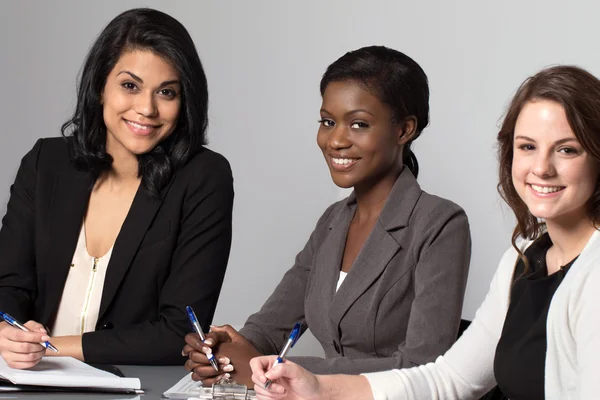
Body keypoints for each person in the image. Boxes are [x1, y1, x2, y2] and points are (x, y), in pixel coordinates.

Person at [248, 64, 600, 400]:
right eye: (527, 147)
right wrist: (319, 388)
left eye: (567, 149)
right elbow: (449, 379)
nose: (541, 167)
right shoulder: (523, 259)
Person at [183, 46, 471, 386]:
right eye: (328, 122)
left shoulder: (440, 224)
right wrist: (224, 351)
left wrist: (282, 369)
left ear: (405, 129)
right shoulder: (333, 221)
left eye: (358, 124)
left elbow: (423, 367)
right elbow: (268, 328)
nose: (335, 140)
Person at [0, 8, 233, 368]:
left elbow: (179, 333)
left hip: (133, 385)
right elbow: (8, 287)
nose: (146, 108)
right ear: (99, 87)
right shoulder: (46, 162)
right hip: (27, 379)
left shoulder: (204, 178)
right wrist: (7, 333)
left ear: (184, 101)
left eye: (166, 92)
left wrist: (50, 347)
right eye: (130, 86)